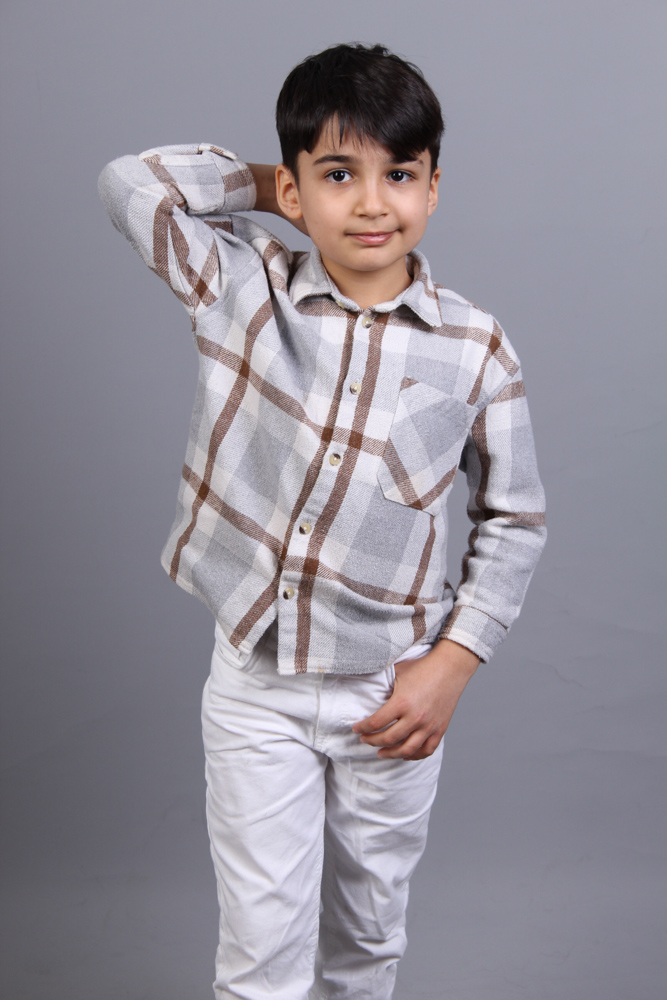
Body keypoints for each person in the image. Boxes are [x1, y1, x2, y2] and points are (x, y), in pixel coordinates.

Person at [99, 42, 546, 1000]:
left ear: (433, 187)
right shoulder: (242, 289)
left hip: (392, 694)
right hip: (256, 685)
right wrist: (276, 184)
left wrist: (451, 665)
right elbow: (130, 185)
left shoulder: (475, 349)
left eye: (400, 175)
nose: (373, 203)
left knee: (365, 945)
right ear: (294, 192)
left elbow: (514, 519)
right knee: (258, 959)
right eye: (339, 176)